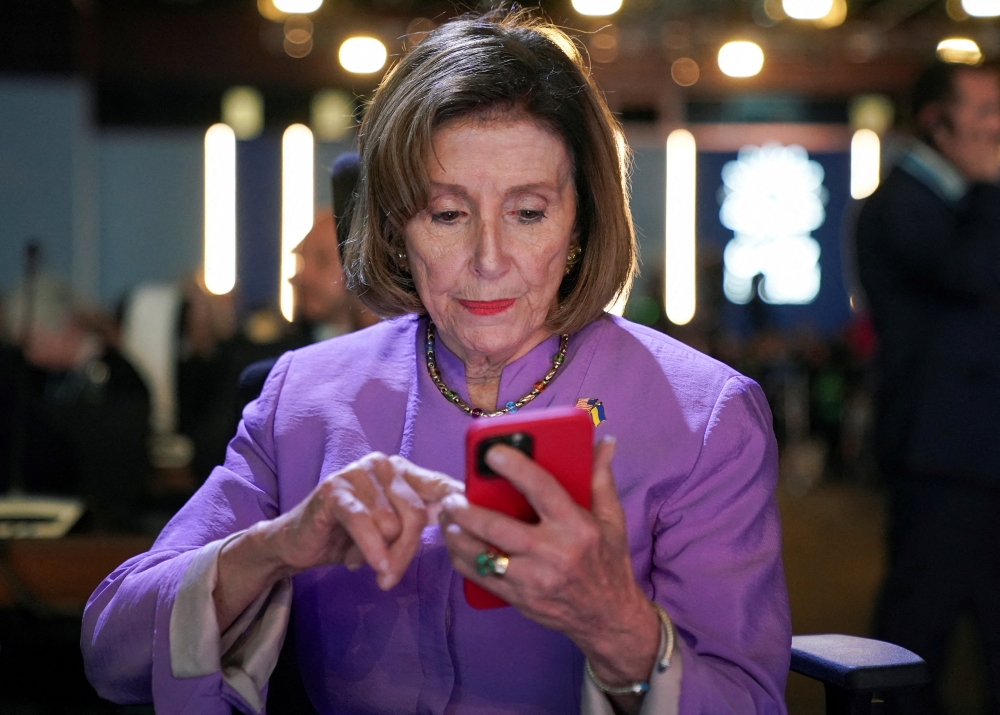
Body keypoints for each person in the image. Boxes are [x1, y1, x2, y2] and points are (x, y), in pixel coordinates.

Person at [82, 11, 790, 715]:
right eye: (447, 214)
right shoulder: (304, 393)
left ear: (581, 224)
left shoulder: (705, 416)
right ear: (395, 226)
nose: (488, 260)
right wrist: (271, 548)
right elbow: (112, 651)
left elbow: (749, 702)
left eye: (529, 213)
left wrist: (618, 625)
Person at [856, 61, 1000, 713]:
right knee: (916, 641)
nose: (998, 128)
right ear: (937, 124)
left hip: (973, 454)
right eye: (985, 113)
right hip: (941, 456)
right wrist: (993, 185)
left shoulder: (957, 201)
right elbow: (974, 273)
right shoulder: (902, 203)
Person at [0, 274, 150, 530]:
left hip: (101, 521)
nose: (28, 353)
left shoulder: (119, 375)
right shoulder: (36, 376)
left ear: (68, 328)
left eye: (32, 340)